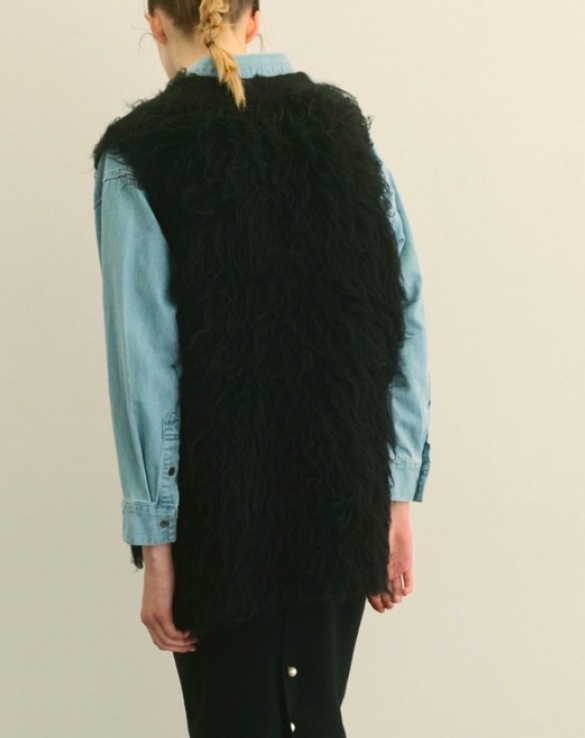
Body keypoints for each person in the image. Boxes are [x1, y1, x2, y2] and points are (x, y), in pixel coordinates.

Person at [91, 1, 431, 735]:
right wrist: (395, 497)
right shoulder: (344, 134)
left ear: (155, 21)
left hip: (223, 520)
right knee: (308, 715)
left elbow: (145, 364)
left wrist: (157, 544)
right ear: (255, 16)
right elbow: (401, 318)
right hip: (343, 503)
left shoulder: (140, 155)